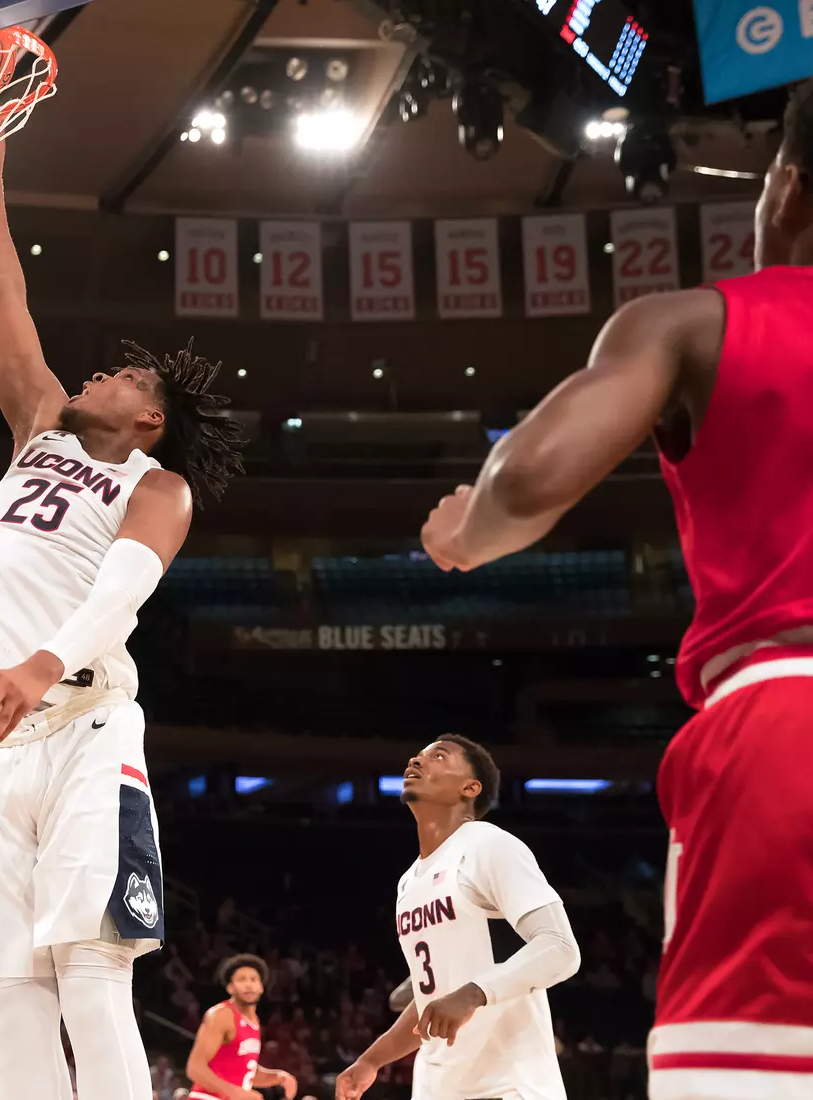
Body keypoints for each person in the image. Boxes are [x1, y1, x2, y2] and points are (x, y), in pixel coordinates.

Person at [414, 83, 813, 1099]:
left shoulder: (695, 323)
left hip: (783, 714)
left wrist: (470, 532)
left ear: (787, 185)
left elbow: (533, 478)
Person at [0, 138, 245, 1100]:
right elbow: (0, 297)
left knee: (88, 962)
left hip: (82, 721)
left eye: (118, 376)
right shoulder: (38, 424)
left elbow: (121, 593)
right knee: (6, 979)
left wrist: (38, 662)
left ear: (148, 416)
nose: (94, 377)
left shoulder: (157, 484)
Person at [335, 736, 581, 1100]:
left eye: (437, 756)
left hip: (508, 1087)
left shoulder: (488, 844)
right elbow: (431, 997)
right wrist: (372, 1060)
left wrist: (472, 994)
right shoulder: (409, 882)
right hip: (439, 1087)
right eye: (417, 755)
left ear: (471, 787)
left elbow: (560, 948)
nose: (416, 761)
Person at [185, 955, 297, 1100]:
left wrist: (278, 1077)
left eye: (253, 979)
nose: (248, 985)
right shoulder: (221, 1014)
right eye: (241, 979)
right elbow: (195, 1068)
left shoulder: (254, 1021)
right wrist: (236, 1093)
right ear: (231, 988)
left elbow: (244, 1070)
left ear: (261, 987)